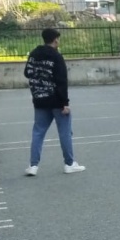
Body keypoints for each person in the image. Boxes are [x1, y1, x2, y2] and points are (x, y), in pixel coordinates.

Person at [24, 28, 85, 176]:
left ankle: (33, 166)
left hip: (39, 99)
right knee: (64, 132)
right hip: (56, 100)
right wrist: (65, 103)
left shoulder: (33, 54)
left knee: (38, 132)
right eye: (58, 39)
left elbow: (27, 72)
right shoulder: (56, 57)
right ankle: (69, 164)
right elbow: (61, 81)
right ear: (55, 39)